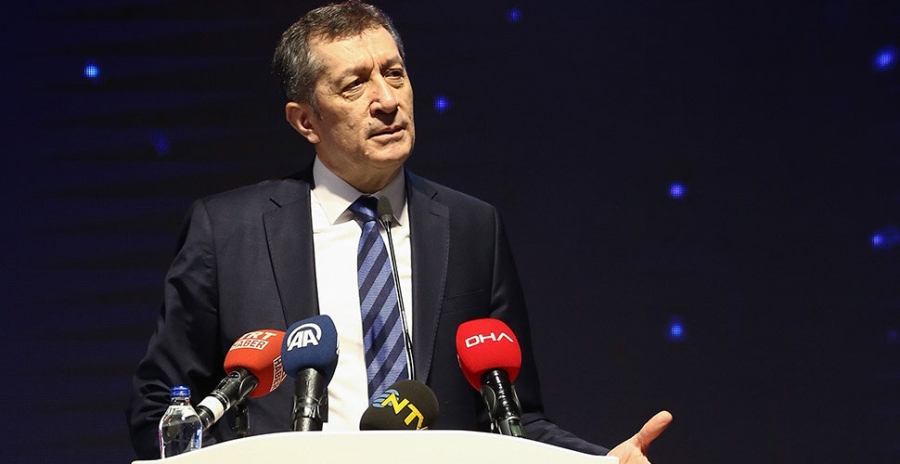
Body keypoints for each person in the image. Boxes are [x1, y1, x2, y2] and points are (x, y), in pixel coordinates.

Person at [126, 1, 672, 462]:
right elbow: (161, 410)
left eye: (394, 73)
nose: (387, 100)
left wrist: (597, 463)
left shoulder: (472, 226)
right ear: (306, 120)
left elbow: (513, 418)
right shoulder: (228, 232)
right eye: (354, 84)